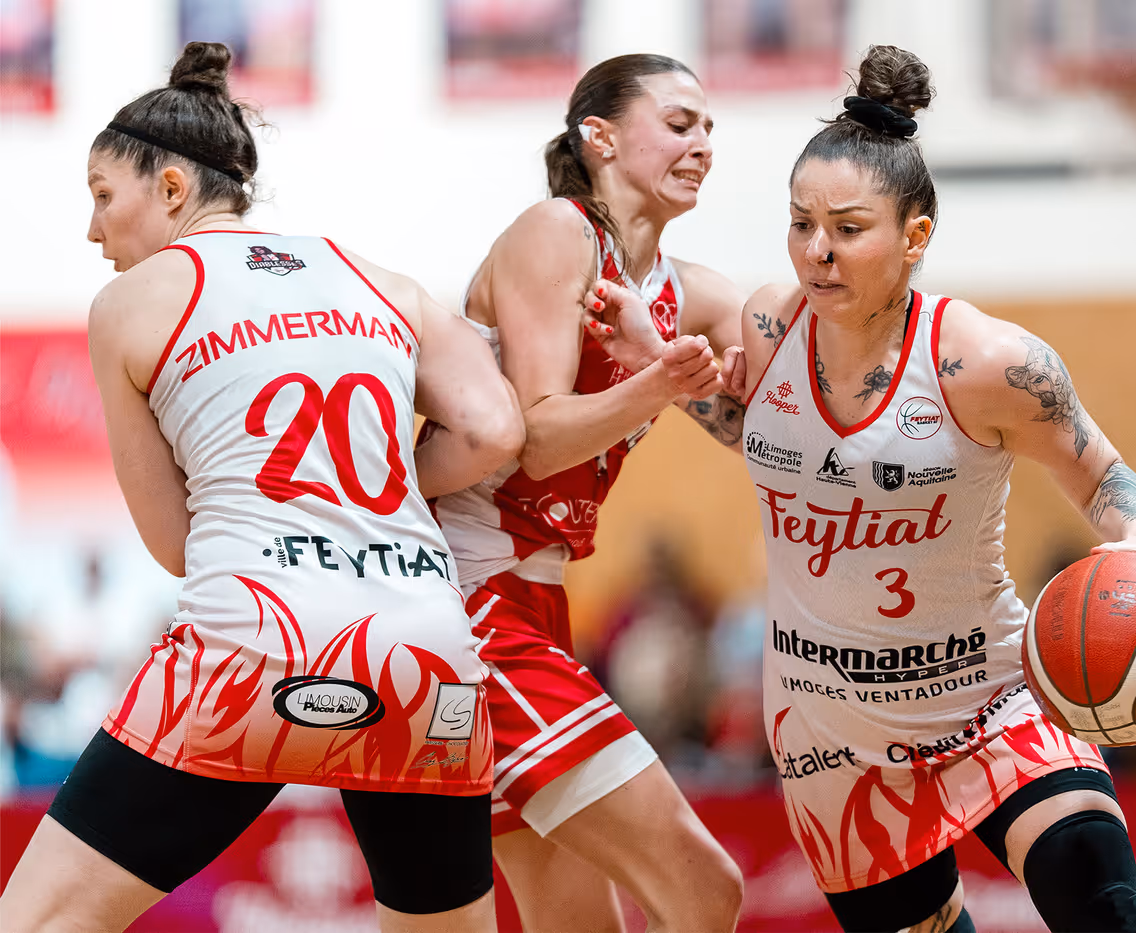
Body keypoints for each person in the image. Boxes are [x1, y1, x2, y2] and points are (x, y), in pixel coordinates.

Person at [0, 42, 523, 933]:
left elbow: (176, 544)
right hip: (426, 656)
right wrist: (388, 488)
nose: (93, 232)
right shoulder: (382, 279)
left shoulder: (129, 303)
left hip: (256, 647)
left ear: (170, 191)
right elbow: (494, 428)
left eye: (101, 196)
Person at [717, 44, 1136, 933]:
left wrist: (1133, 539)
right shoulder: (765, 328)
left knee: (1100, 899)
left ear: (916, 236)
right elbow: (736, 407)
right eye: (800, 223)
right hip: (826, 730)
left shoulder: (986, 361)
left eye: (848, 227)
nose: (817, 251)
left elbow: (1105, 474)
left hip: (985, 693)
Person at [418, 53, 746, 933]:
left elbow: (780, 395)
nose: (703, 143)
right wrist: (658, 377)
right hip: (466, 598)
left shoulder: (687, 290)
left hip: (534, 600)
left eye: (710, 127)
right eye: (680, 124)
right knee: (707, 889)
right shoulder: (556, 232)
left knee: (578, 924)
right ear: (598, 137)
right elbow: (536, 434)